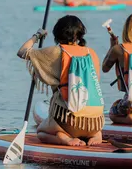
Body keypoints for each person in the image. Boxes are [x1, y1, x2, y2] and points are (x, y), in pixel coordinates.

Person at [17, 15, 104, 146]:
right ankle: (96, 135)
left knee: (40, 131)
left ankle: (64, 138)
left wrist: (37, 35)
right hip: (96, 122)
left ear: (57, 33)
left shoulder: (55, 51)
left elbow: (22, 52)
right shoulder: (91, 53)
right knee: (89, 122)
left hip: (69, 121)